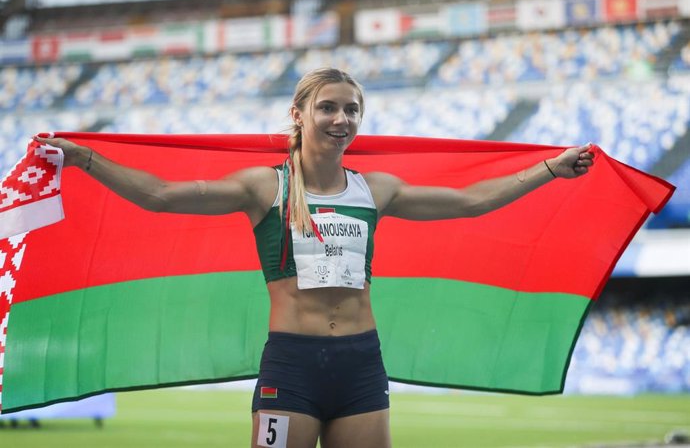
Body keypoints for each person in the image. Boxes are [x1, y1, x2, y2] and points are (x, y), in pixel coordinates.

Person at [34, 67, 594, 448]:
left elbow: (472, 203)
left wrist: (549, 169)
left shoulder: (376, 190)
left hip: (361, 365)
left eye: (352, 110)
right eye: (328, 107)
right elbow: (160, 196)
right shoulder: (263, 187)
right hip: (291, 368)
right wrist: (86, 159)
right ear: (298, 113)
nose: (341, 119)